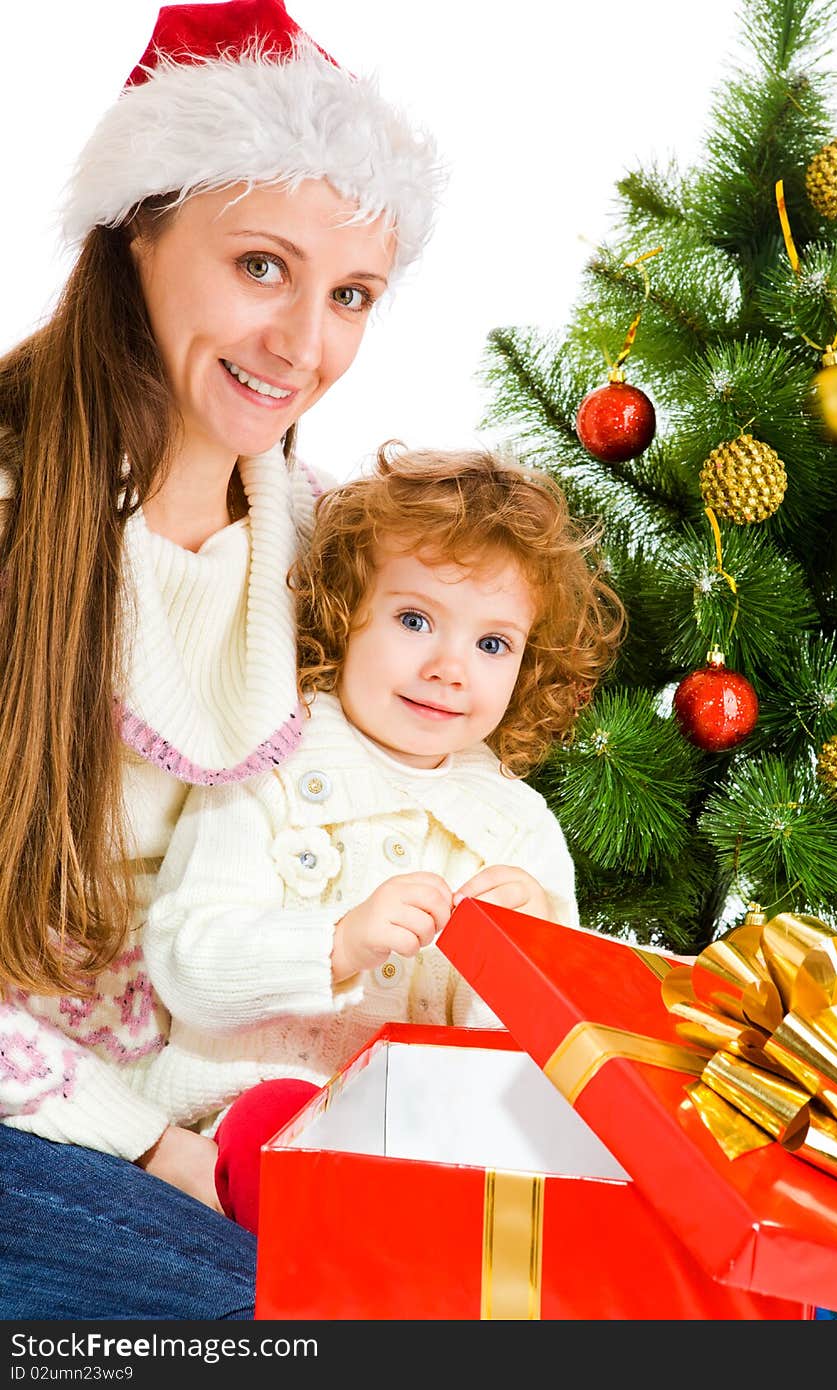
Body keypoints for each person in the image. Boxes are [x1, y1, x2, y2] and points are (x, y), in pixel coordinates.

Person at [0, 0, 444, 1320]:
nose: (305, 347)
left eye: (349, 295)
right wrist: (153, 1147)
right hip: (56, 1121)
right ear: (141, 225)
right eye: (262, 266)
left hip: (248, 1110)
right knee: (260, 1324)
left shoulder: (320, 546)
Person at [137, 442, 626, 1234]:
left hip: (422, 1147)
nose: (448, 667)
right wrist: (334, 942)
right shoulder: (267, 764)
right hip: (235, 1127)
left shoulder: (517, 826)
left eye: (492, 643)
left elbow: (541, 1051)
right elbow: (184, 960)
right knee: (280, 1121)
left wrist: (525, 951)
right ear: (344, 613)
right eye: (414, 620)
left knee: (537, 1159)